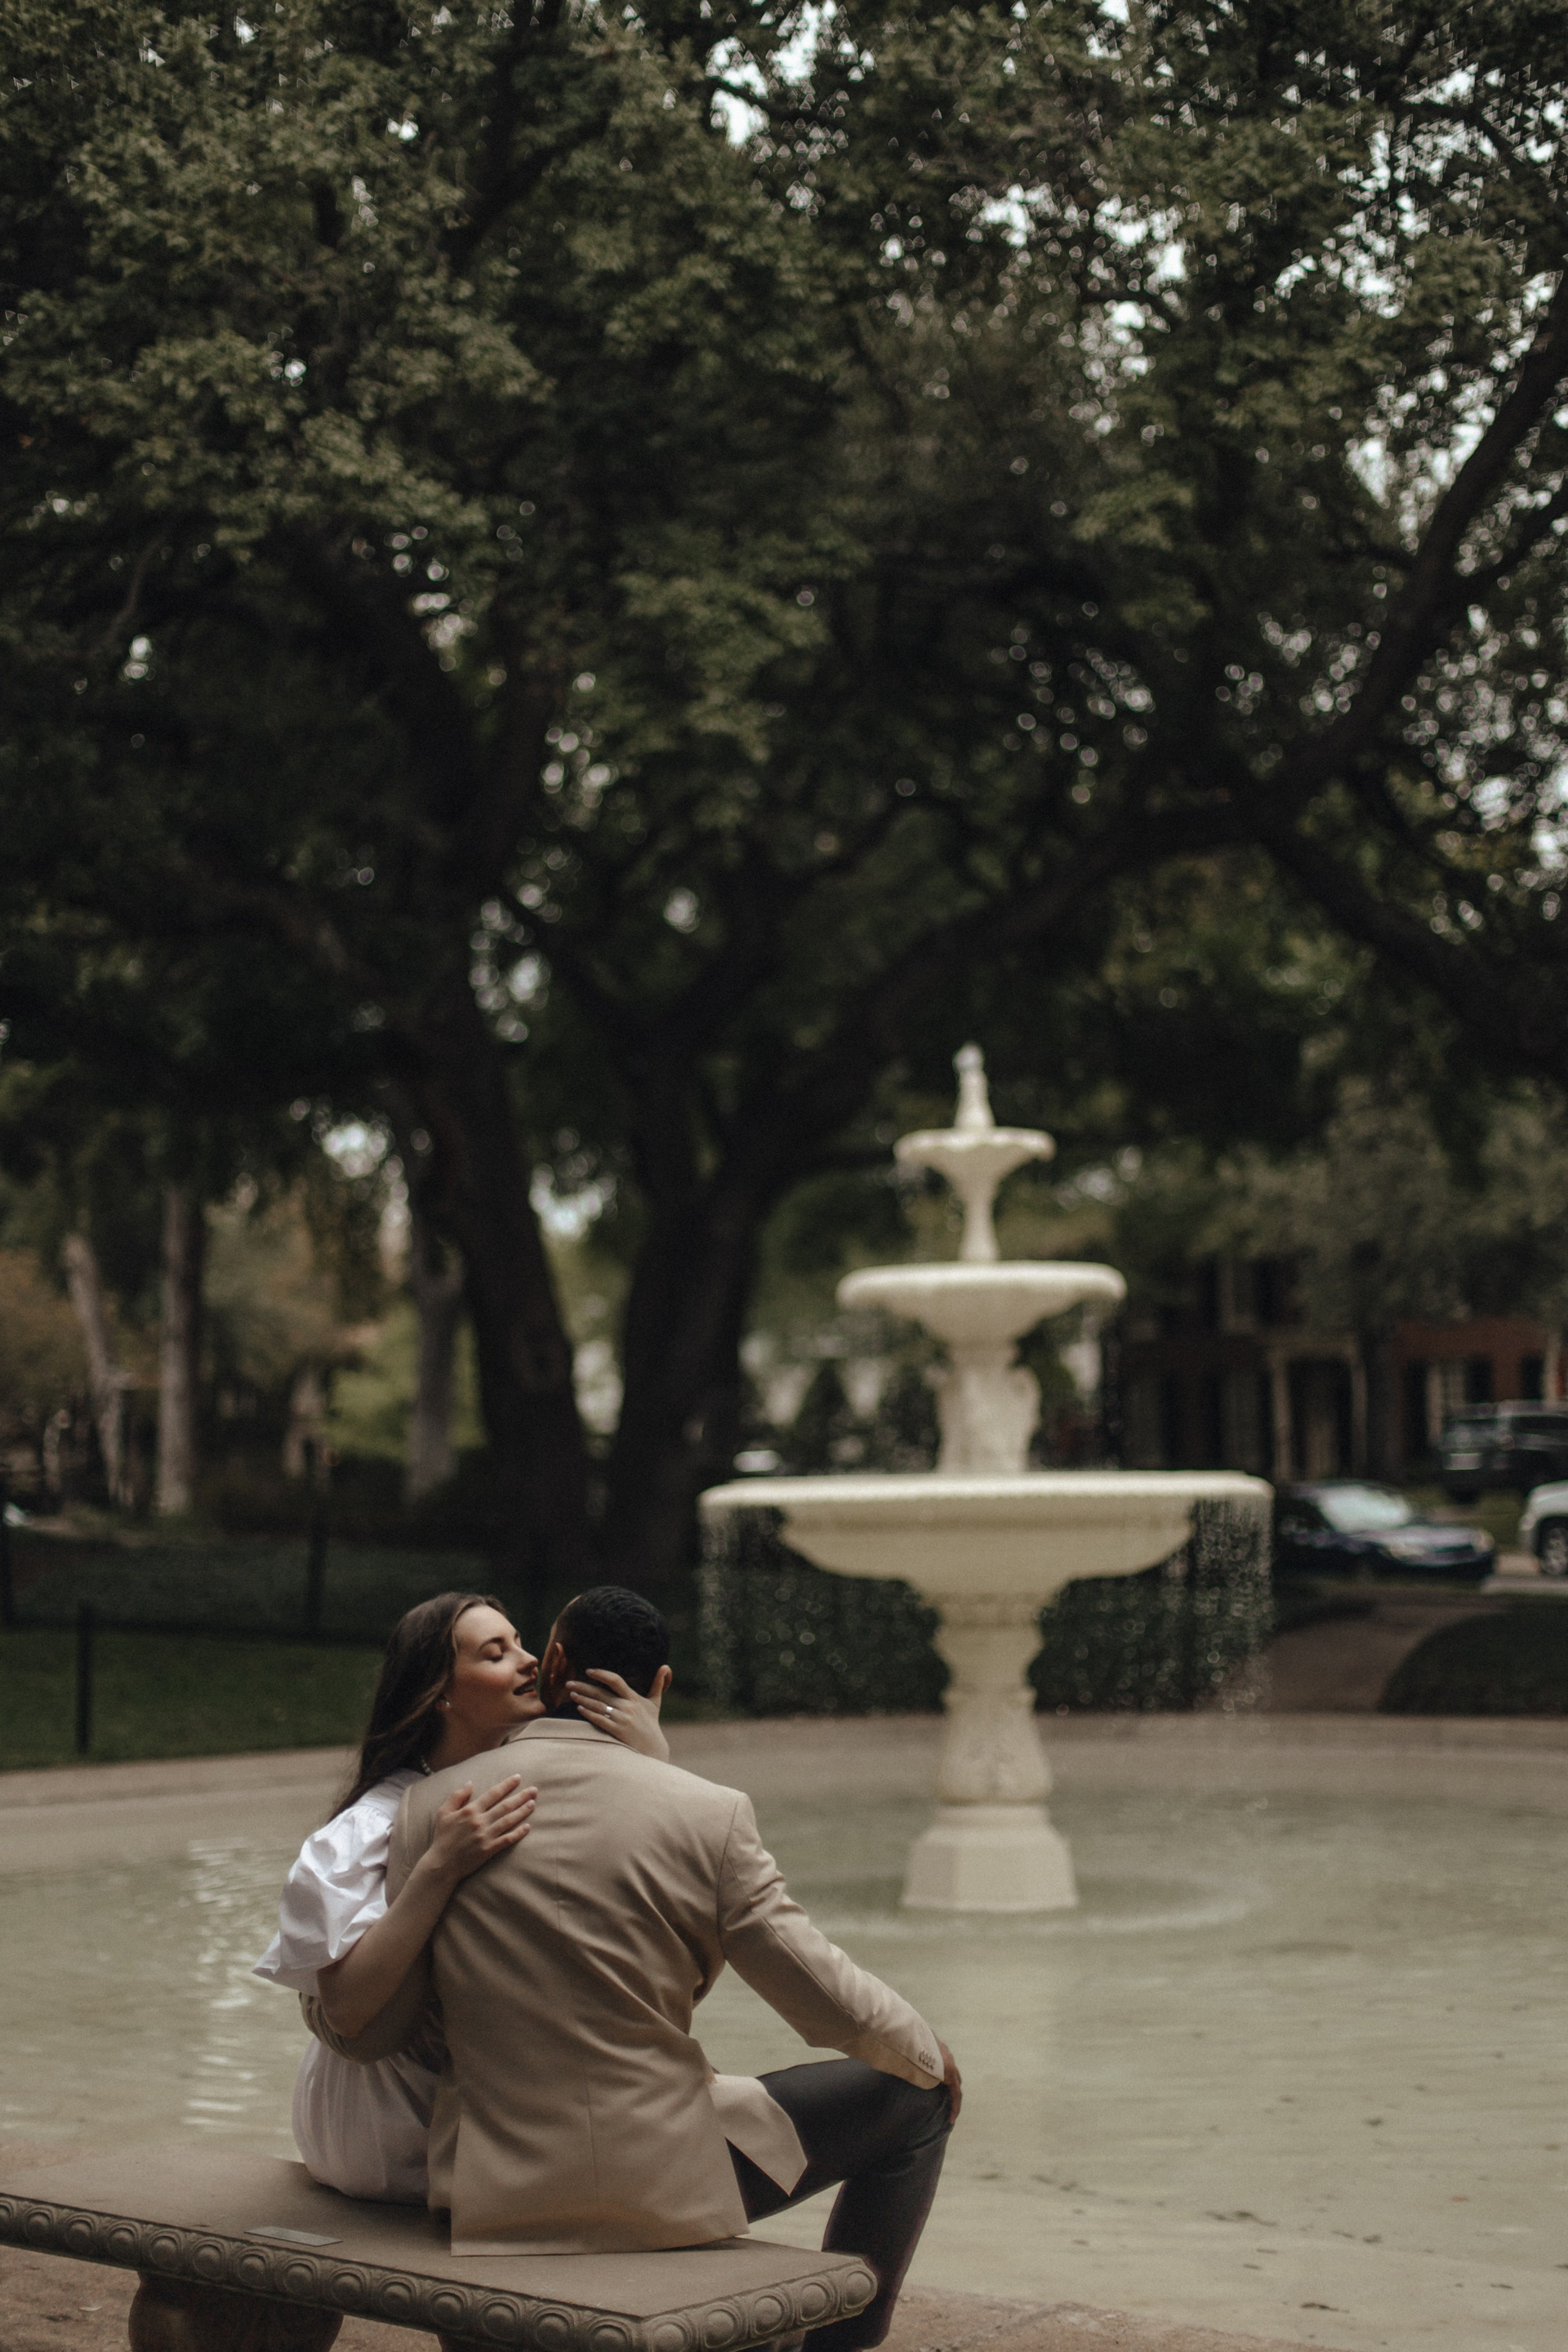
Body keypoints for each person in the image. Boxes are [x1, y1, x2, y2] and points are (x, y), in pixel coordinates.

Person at [363, 1586, 960, 2352]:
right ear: (663, 1685)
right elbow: (819, 1992)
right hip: (664, 2186)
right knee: (918, 2100)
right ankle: (840, 2344)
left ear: (554, 1664)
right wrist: (924, 2051)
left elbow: (380, 2026)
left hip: (494, 2195)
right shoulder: (710, 1812)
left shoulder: (434, 1808)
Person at [252, 1588, 670, 2202]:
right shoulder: (373, 1826)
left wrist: (650, 1764)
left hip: (491, 2125)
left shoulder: (527, 1792)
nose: (529, 1660)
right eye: (495, 1654)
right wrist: (438, 1866)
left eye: (521, 1643)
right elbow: (347, 2012)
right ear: (441, 1693)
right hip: (385, 2136)